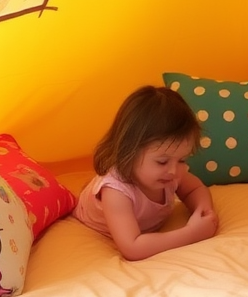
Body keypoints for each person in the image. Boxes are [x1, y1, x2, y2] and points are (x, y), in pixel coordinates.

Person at [74, 85, 218, 259]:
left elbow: (195, 189)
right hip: (96, 217)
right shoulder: (116, 193)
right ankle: (87, 191)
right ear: (129, 152)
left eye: (182, 160)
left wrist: (203, 212)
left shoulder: (169, 173)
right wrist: (191, 233)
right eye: (162, 161)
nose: (174, 171)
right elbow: (132, 247)